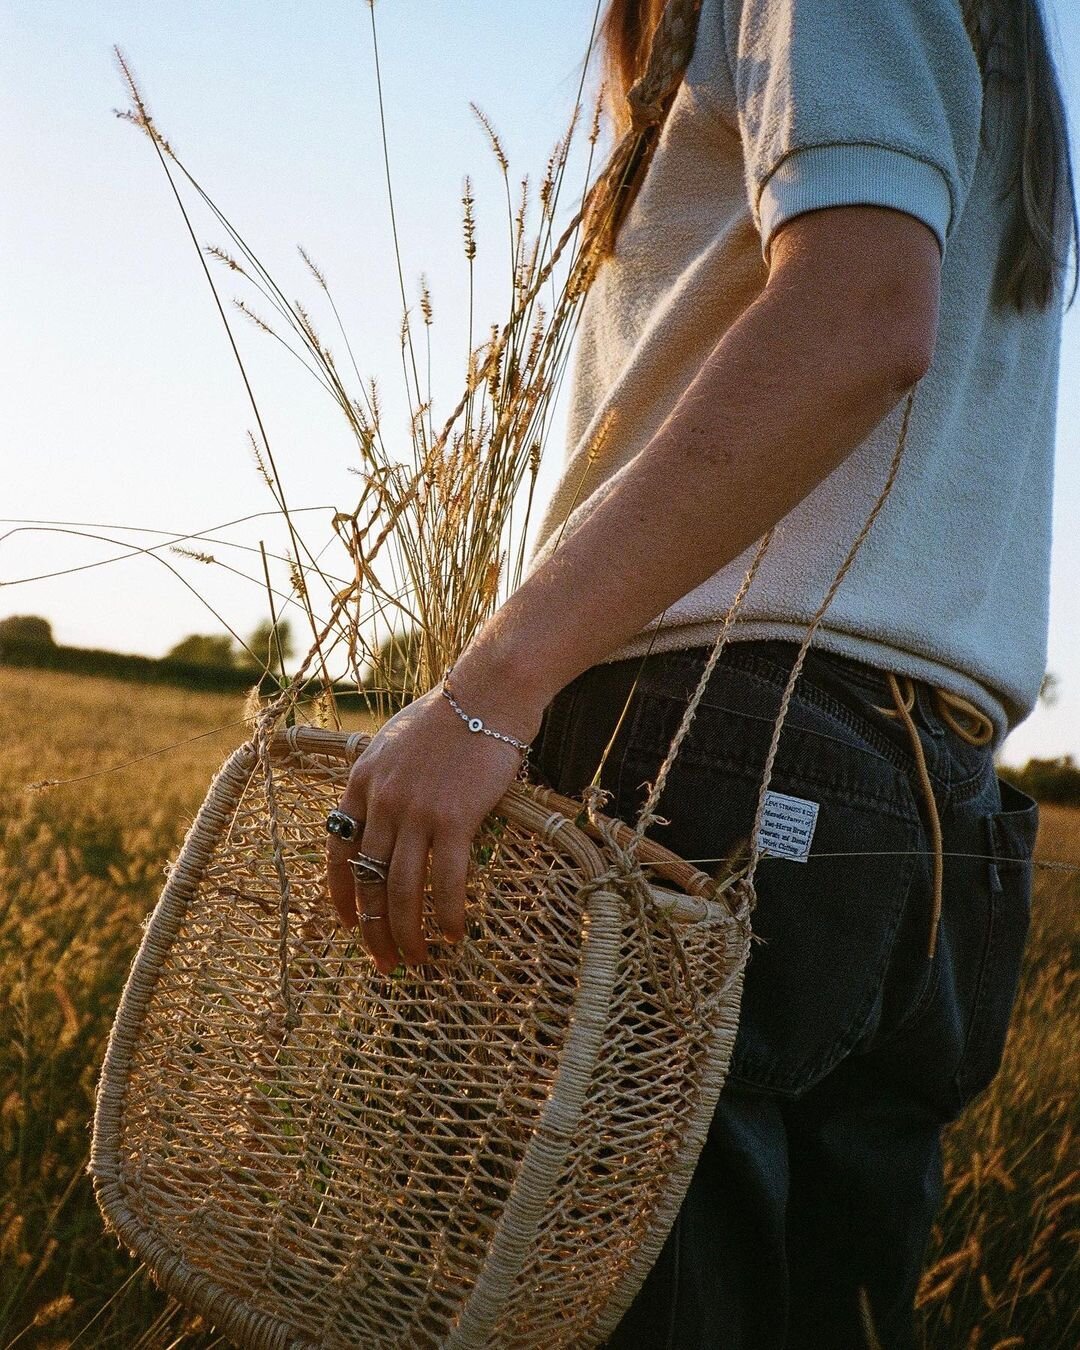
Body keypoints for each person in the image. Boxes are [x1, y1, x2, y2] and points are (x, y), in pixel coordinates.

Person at [325, 0, 1076, 1344]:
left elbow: (861, 312)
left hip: (715, 752)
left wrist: (493, 684)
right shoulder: (986, 42)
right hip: (927, 814)